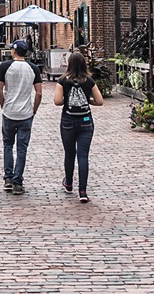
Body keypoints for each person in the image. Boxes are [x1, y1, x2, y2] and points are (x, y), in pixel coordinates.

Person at [54, 51, 104, 203]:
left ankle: (69, 183)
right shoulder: (89, 81)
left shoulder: (62, 81)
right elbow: (100, 101)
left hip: (68, 120)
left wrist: (68, 100)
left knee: (69, 153)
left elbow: (57, 101)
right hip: (85, 120)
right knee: (83, 155)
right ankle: (82, 191)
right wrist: (87, 101)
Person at [0, 40, 42, 195]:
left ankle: (8, 178)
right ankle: (18, 182)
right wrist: (34, 109)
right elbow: (39, 93)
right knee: (22, 148)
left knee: (8, 145)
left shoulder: (5, 66)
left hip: (9, 112)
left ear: (14, 51)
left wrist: (3, 105)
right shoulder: (33, 68)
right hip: (26, 113)